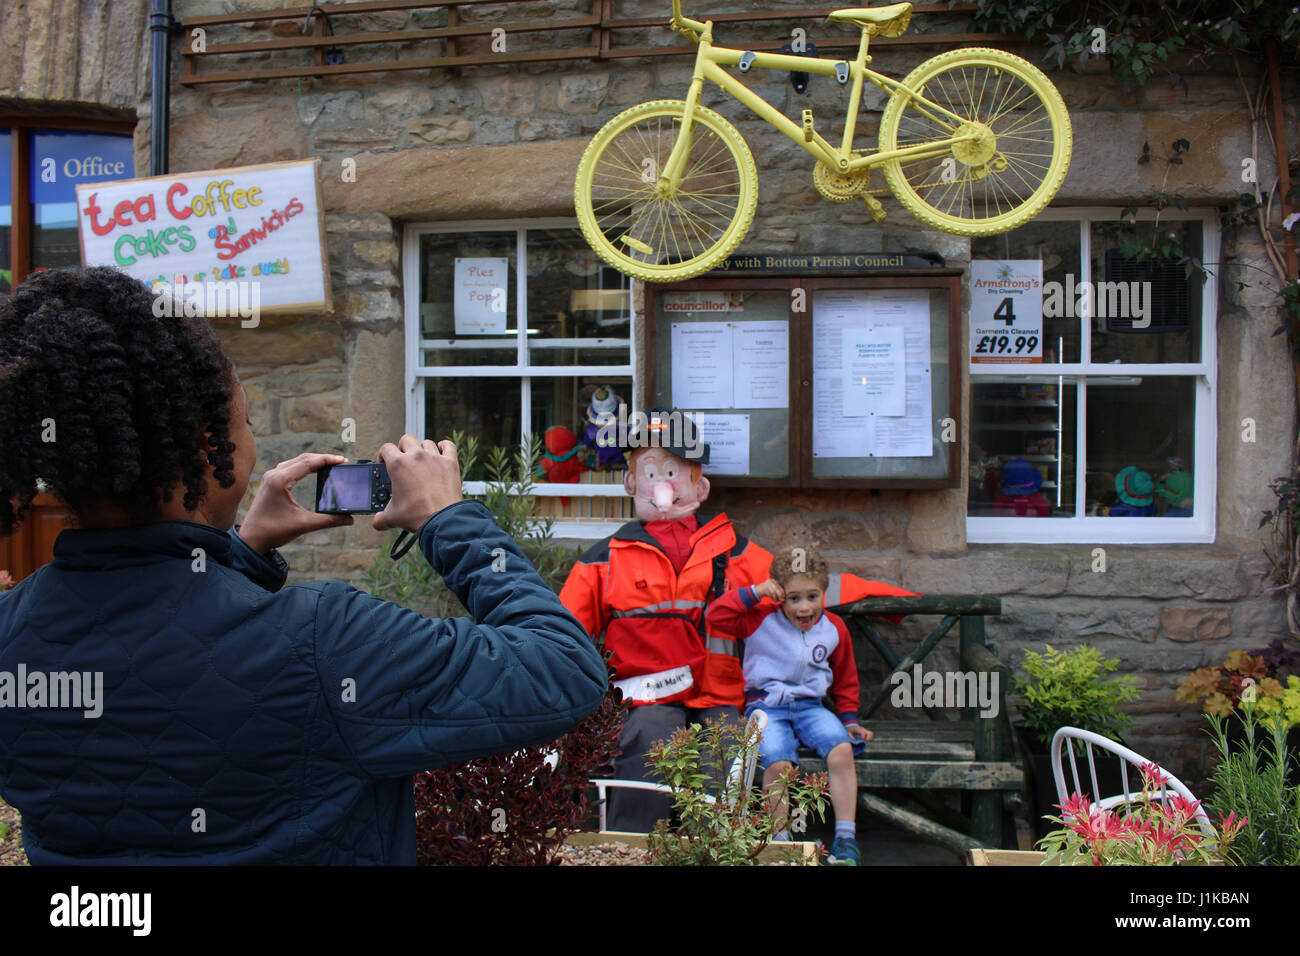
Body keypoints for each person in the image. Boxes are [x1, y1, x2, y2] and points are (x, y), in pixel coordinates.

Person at [0, 267, 606, 864]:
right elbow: (561, 669)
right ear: (213, 447)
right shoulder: (327, 641)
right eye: (244, 421)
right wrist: (448, 519)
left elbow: (166, 663)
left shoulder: (11, 631)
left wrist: (236, 554)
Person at [559, 407, 771, 831]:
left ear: (700, 484)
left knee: (724, 752)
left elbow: (805, 593)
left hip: (719, 696)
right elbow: (562, 633)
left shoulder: (736, 552)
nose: (661, 483)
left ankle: (715, 854)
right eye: (650, 471)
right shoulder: (604, 559)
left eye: (672, 471)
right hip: (644, 697)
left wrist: (892, 601)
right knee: (648, 746)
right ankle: (631, 850)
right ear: (631, 483)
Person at [706, 547, 872, 865]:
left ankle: (846, 838)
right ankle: (780, 842)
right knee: (779, 765)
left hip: (812, 707)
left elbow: (845, 679)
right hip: (767, 707)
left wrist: (849, 719)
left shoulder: (834, 628)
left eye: (812, 596)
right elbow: (715, 617)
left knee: (842, 751)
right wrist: (754, 593)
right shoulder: (759, 619)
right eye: (794, 598)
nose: (804, 607)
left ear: (824, 592)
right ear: (779, 596)